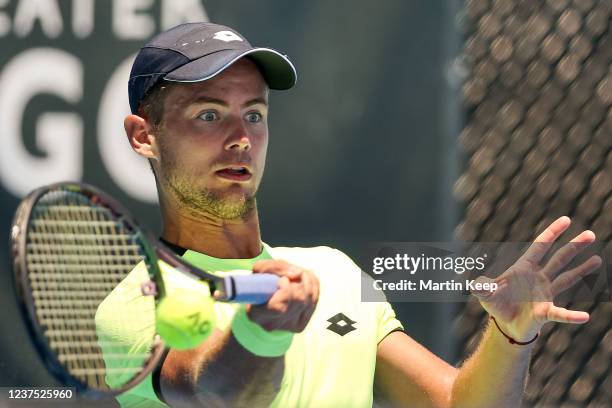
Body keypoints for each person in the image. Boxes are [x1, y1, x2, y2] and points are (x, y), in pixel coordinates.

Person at [109, 22, 601, 407]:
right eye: (209, 115)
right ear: (143, 135)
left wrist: (510, 337)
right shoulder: (134, 301)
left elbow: (455, 402)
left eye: (254, 114)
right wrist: (263, 329)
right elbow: (214, 393)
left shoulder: (335, 272)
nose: (241, 137)